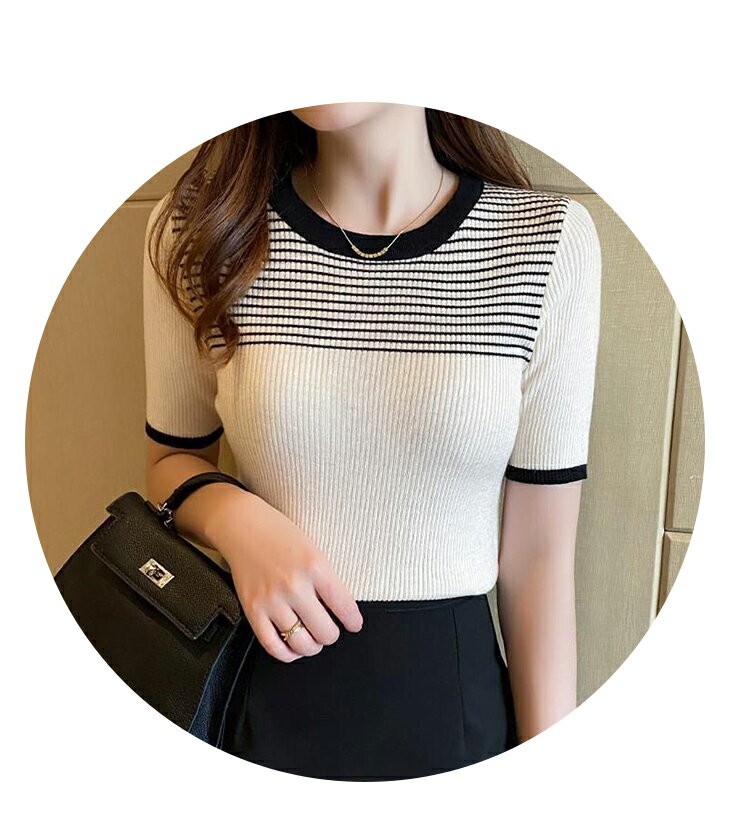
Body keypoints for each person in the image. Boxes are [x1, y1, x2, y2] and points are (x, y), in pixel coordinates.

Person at [142, 103, 602, 781]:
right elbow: (168, 461)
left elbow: (539, 559)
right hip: (257, 699)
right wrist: (236, 521)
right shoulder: (202, 232)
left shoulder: (544, 242)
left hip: (453, 720)